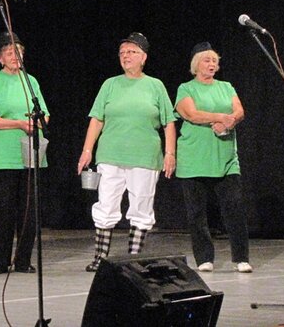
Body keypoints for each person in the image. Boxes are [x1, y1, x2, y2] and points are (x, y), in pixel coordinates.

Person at [77, 32, 176, 272]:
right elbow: (97, 119)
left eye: (131, 52)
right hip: (110, 154)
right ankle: (101, 257)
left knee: (141, 206)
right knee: (106, 204)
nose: (126, 56)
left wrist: (170, 153)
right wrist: (87, 149)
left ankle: (134, 258)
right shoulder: (110, 84)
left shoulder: (155, 86)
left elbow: (169, 123)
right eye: (122, 53)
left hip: (144, 156)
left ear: (144, 57)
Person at [174, 42, 252, 273]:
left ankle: (241, 258)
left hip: (226, 157)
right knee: (197, 213)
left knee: (235, 208)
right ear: (196, 64)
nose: (212, 65)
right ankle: (204, 258)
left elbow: (239, 110)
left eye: (214, 61)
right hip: (194, 158)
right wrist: (219, 116)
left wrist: (231, 119)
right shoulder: (186, 88)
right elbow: (191, 114)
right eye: (207, 60)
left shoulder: (226, 87)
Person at [0, 32, 50, 275]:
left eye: (18, 51)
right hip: (3, 156)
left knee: (29, 211)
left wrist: (37, 122)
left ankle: (22, 261)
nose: (15, 56)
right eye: (9, 52)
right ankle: (1, 261)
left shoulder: (31, 81)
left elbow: (44, 114)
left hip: (31, 153)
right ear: (0, 58)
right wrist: (19, 123)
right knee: (3, 209)